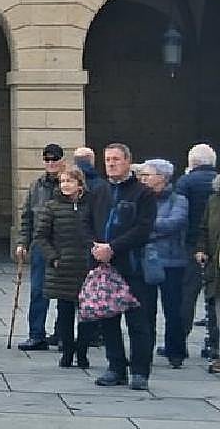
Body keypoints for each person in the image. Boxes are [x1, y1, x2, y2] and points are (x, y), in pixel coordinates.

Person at [81, 142, 156, 390]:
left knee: (138, 322)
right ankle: (116, 368)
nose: (111, 164)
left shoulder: (143, 193)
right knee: (108, 320)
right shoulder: (97, 191)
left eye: (116, 159)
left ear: (127, 161)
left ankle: (140, 371)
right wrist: (95, 247)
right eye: (108, 160)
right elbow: (84, 222)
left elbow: (143, 229)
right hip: (103, 267)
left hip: (133, 267)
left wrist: (112, 247)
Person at [34, 165, 93, 368]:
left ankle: (82, 352)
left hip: (86, 267)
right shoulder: (52, 207)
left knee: (87, 314)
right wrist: (53, 258)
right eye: (63, 181)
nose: (65, 185)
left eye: (70, 181)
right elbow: (41, 236)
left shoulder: (89, 205)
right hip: (63, 267)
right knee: (65, 312)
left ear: (80, 184)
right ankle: (67, 352)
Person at [15, 143, 66, 351]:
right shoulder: (36, 186)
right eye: (47, 159)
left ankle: (63, 334)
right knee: (38, 291)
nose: (51, 163)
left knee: (65, 293)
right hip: (40, 245)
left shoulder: (68, 182)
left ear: (62, 160)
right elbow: (27, 216)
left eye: (55, 159)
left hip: (63, 246)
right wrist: (22, 242)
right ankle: (36, 335)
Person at [139, 158, 188, 369]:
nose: (143, 179)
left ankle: (175, 351)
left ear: (162, 177)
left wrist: (147, 226)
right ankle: (144, 351)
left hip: (172, 262)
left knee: (173, 310)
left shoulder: (179, 199)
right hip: (146, 260)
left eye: (147, 175)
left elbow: (175, 223)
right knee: (145, 311)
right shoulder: (141, 198)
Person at [176, 143, 216, 359]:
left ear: (192, 162)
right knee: (214, 295)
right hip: (215, 245)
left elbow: (181, 214)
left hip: (191, 244)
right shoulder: (216, 180)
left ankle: (180, 339)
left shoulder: (186, 182)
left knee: (187, 294)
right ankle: (213, 341)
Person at [195, 173, 220, 373]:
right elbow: (204, 228)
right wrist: (201, 249)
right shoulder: (213, 201)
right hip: (216, 268)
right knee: (217, 314)